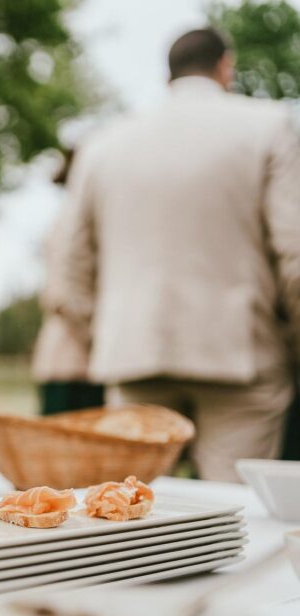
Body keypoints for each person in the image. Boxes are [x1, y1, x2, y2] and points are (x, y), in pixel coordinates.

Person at [50, 28, 300, 482]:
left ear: (169, 75)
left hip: (132, 355)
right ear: (226, 65)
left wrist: (109, 331)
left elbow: (67, 269)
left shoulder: (102, 144)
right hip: (240, 357)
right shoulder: (269, 125)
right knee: (236, 523)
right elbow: (296, 254)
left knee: (138, 518)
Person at [33, 149, 105, 416]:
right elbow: (62, 296)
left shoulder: (65, 220)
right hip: (75, 364)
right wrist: (97, 338)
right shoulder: (71, 223)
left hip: (73, 362)